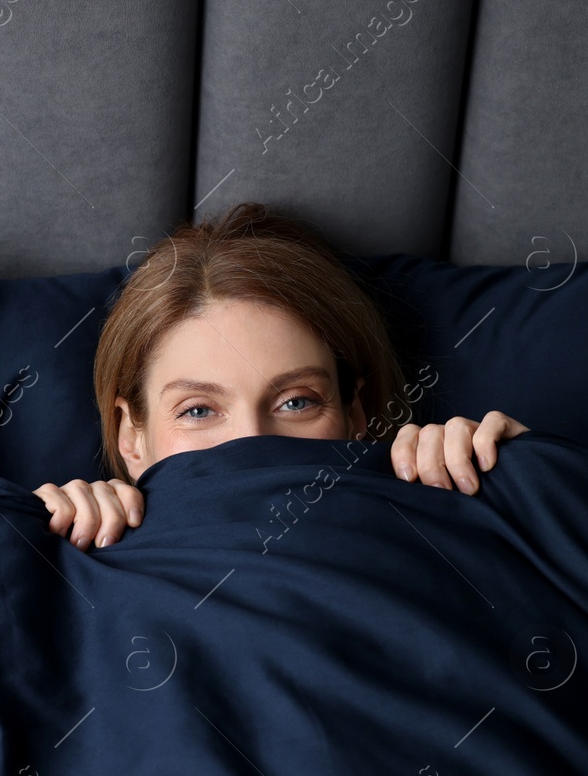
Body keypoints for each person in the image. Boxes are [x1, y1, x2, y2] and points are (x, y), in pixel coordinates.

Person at [33, 202, 528, 550]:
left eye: (297, 402)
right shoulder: (76, 556)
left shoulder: (450, 519)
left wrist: (522, 476)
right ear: (130, 436)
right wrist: (25, 531)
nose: (253, 443)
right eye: (199, 410)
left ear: (356, 411)